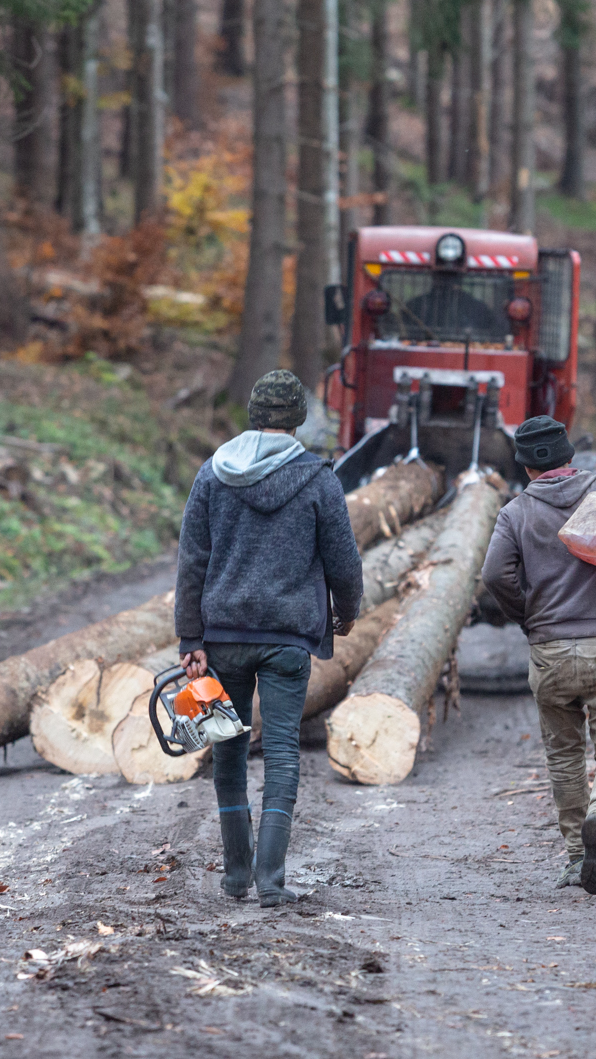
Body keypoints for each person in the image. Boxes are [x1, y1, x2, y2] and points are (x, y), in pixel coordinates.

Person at [175, 370, 364, 907]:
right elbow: (343, 562)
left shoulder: (213, 475)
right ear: (298, 418)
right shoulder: (319, 479)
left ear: (253, 414)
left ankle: (236, 877)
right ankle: (271, 881)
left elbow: (192, 560)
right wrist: (345, 613)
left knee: (228, 750)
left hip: (223, 636)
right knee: (281, 750)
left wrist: (191, 635)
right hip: (288, 640)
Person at [479, 416, 596, 895]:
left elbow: (493, 576)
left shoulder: (515, 513)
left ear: (524, 466)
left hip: (549, 655)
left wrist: (530, 617)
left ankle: (574, 859)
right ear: (570, 454)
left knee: (564, 756)